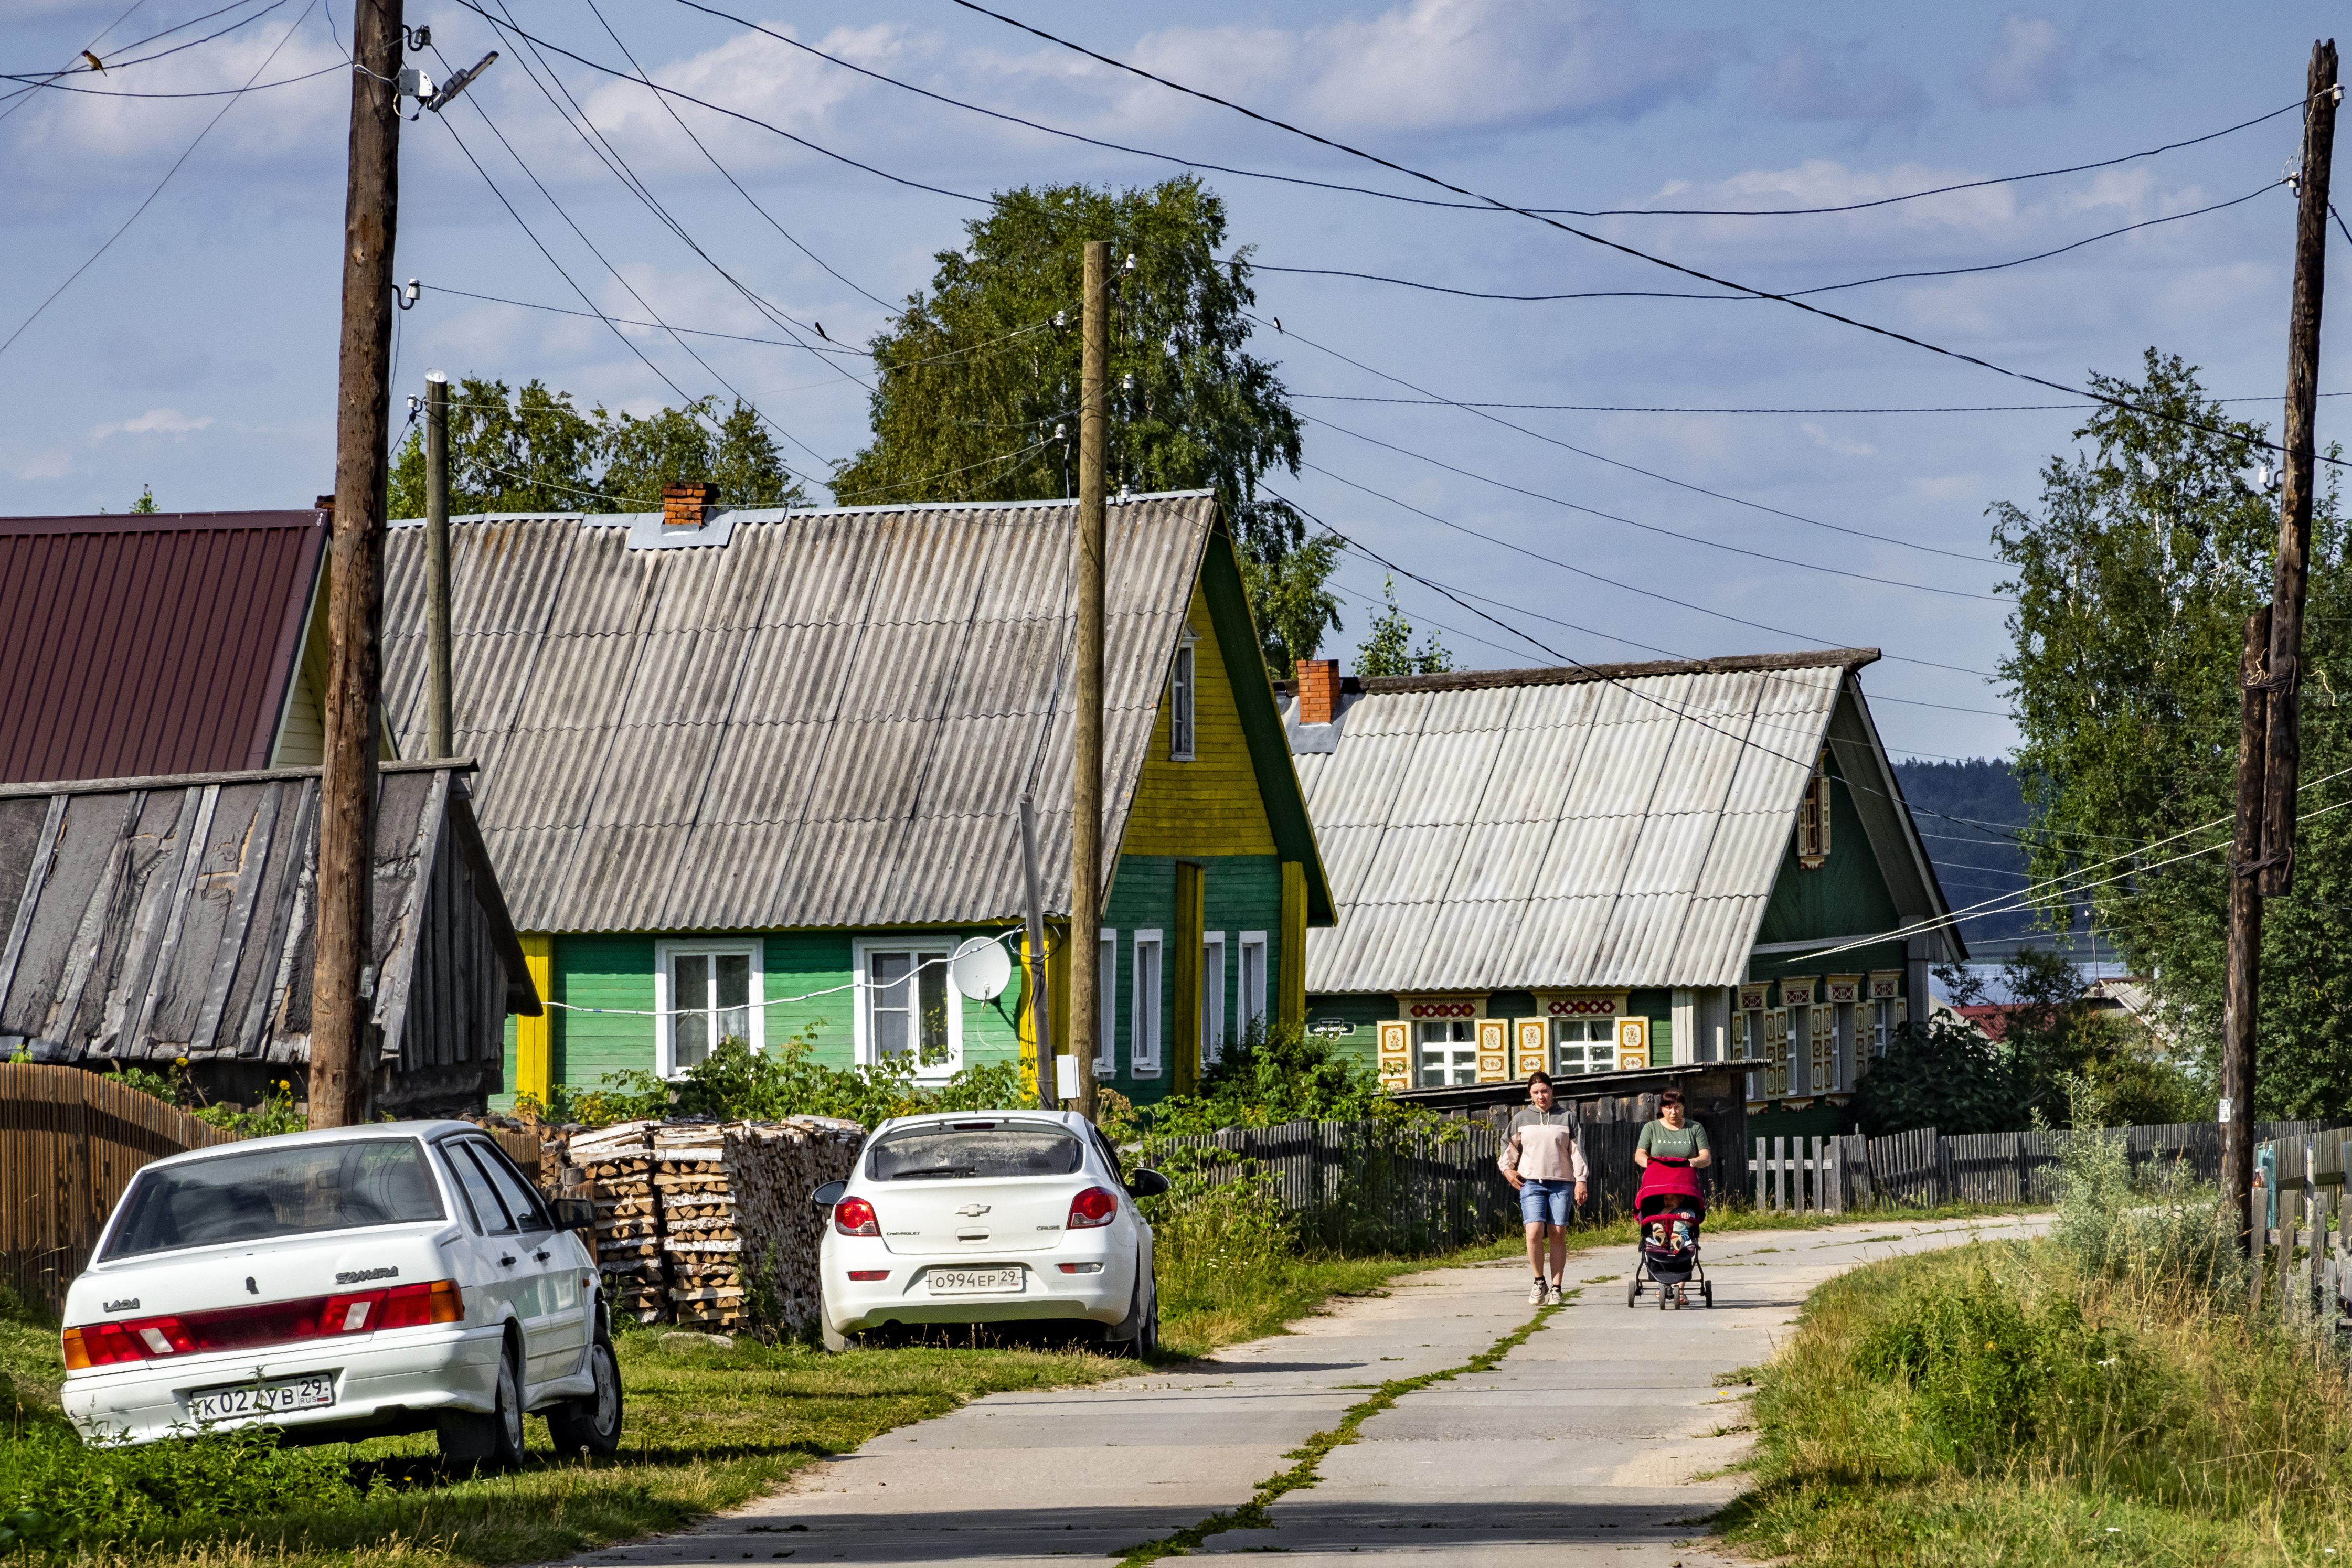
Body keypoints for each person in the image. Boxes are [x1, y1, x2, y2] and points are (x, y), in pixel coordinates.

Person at [1498, 1071, 1588, 1305]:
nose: (1541, 1096)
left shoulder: (1567, 1117)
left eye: (1545, 1091)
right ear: (1530, 1094)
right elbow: (1508, 1146)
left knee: (1557, 1233)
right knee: (1534, 1231)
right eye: (1536, 1092)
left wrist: (1581, 1180)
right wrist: (1507, 1170)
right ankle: (1539, 1281)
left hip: (1562, 1183)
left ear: (1552, 1090)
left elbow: (1577, 1151)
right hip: (1531, 1183)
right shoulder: (1521, 1118)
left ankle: (1556, 1287)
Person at [1634, 1089, 1710, 1249]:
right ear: (1662, 1109)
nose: (1673, 1112)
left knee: (1688, 1211)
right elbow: (1640, 1154)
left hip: (1683, 1183)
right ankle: (1654, 1233)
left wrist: (1694, 1161)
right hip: (1658, 1181)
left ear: (1683, 1107)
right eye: (1669, 1108)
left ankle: (1682, 1237)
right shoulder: (1651, 1128)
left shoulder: (1694, 1128)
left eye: (1677, 1107)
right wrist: (1651, 1165)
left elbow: (1706, 1156)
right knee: (1649, 1200)